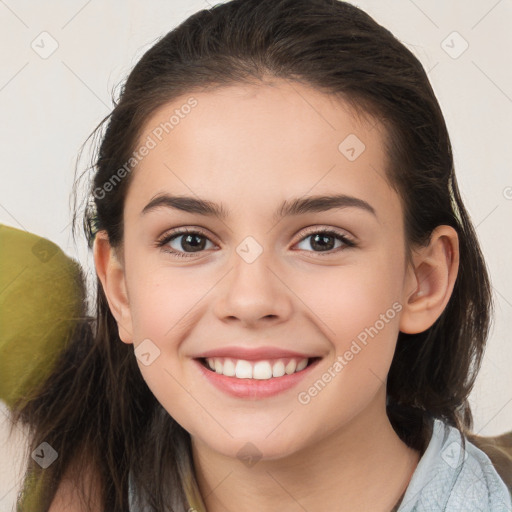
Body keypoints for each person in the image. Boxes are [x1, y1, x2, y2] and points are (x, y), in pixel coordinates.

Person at [7, 0, 512, 510]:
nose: (250, 301)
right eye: (190, 240)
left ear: (423, 280)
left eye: (322, 240)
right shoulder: (60, 469)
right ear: (120, 288)